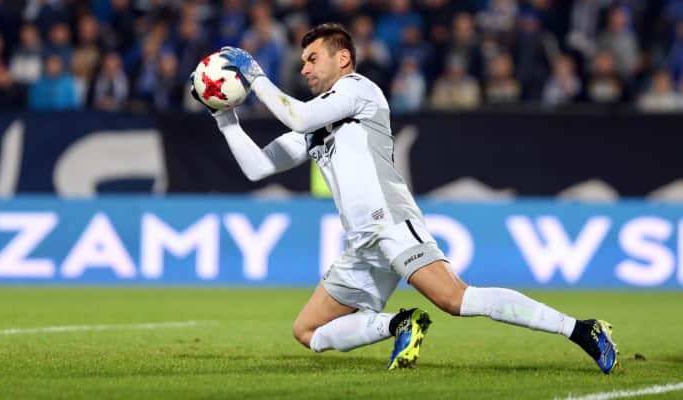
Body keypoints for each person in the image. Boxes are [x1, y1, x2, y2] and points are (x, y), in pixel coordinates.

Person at [190, 23, 619, 373]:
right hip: (361, 243)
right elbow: (258, 167)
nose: (303, 68)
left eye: (312, 58)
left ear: (343, 59)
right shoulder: (316, 125)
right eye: (302, 60)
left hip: (390, 224)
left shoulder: (359, 90)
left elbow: (297, 115)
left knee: (456, 299)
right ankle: (400, 324)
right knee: (308, 332)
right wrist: (225, 118)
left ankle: (582, 330)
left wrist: (255, 75)